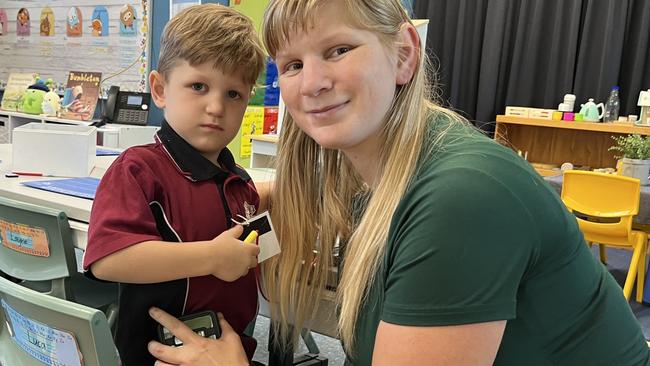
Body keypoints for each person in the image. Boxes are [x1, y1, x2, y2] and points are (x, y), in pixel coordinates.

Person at [148, 0, 650, 365]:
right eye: (294, 64)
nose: (313, 82)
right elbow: (279, 189)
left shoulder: (461, 196)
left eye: (339, 49)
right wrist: (193, 192)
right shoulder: (374, 172)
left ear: (405, 54)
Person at [82, 4, 265, 365]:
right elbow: (108, 259)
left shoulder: (239, 181)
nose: (216, 107)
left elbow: (251, 253)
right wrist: (212, 257)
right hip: (161, 356)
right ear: (160, 89)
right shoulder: (138, 169)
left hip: (230, 351)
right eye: (199, 86)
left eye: (234, 94)